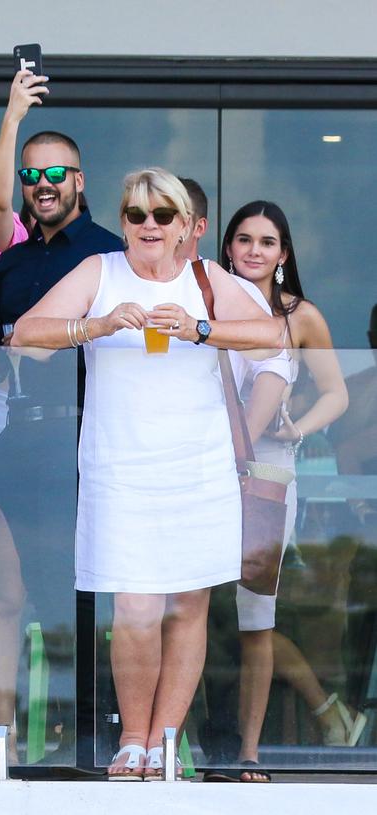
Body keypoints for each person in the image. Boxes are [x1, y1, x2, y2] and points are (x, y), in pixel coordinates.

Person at [11, 168, 281, 779]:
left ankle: (164, 743)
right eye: (136, 215)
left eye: (164, 214)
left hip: (199, 464)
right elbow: (27, 335)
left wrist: (200, 329)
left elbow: (273, 337)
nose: (150, 225)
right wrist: (98, 325)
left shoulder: (208, 279)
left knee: (188, 606)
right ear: (125, 221)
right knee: (134, 607)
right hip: (121, 465)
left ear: (187, 225)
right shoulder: (100, 272)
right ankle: (132, 738)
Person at [0, 68, 125, 772]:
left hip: (90, 438)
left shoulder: (111, 254)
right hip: (23, 444)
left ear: (79, 179)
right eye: (33, 173)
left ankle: (101, 741)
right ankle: (64, 741)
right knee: (42, 599)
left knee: (93, 593)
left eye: (56, 172)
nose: (43, 183)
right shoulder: (7, 266)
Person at [202, 201, 355, 782]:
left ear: (284, 253)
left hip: (267, 472)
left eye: (267, 242)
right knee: (194, 608)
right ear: (229, 247)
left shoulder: (301, 315)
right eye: (243, 239)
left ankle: (247, 751)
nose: (253, 251)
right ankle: (191, 745)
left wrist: (298, 428)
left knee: (253, 614)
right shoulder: (207, 305)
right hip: (202, 466)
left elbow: (335, 392)